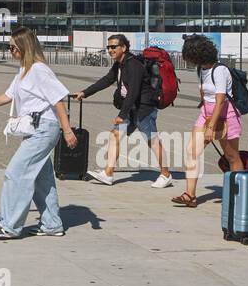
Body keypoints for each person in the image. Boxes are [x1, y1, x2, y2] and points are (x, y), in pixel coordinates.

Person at [0, 26, 78, 239]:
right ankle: (52, 224)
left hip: (45, 128)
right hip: (36, 128)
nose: (10, 51)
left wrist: (67, 130)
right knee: (40, 179)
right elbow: (8, 95)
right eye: (8, 48)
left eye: (13, 48)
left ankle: (10, 225)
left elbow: (58, 100)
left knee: (16, 173)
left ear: (25, 47)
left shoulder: (39, 70)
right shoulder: (23, 71)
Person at [72, 33, 173, 188]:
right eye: (108, 47)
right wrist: (85, 92)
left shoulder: (133, 65)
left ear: (124, 47)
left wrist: (121, 115)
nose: (110, 50)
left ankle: (166, 174)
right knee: (115, 136)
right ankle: (108, 173)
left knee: (152, 141)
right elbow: (107, 80)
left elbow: (133, 92)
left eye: (114, 47)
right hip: (131, 108)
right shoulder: (120, 64)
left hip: (144, 109)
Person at [172, 34, 242, 208]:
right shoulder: (201, 69)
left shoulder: (220, 70)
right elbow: (205, 96)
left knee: (232, 157)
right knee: (192, 151)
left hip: (226, 115)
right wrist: (205, 114)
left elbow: (220, 100)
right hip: (207, 114)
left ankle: (239, 195)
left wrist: (211, 127)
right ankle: (190, 195)